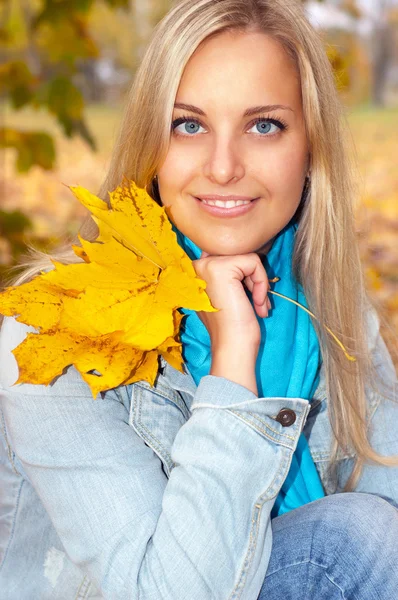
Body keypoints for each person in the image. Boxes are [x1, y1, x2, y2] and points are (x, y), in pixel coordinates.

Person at [1, 0, 397, 598]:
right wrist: (235, 360)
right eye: (189, 124)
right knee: (352, 541)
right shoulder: (59, 335)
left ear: (310, 149)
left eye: (264, 125)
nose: (222, 167)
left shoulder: (331, 305)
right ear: (151, 144)